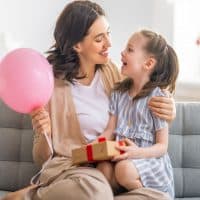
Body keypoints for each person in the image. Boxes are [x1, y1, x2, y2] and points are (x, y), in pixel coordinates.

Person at [2, 1, 176, 200]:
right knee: (95, 191)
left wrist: (170, 106)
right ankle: (28, 197)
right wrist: (44, 133)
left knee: (159, 198)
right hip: (76, 171)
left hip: (113, 172)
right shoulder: (49, 83)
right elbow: (42, 158)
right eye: (99, 39)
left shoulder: (114, 74)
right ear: (77, 45)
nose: (109, 44)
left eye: (108, 34)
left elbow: (147, 89)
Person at [96, 30, 179, 199]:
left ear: (148, 64)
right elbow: (109, 131)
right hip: (123, 157)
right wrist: (92, 148)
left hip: (148, 160)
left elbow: (162, 147)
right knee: (102, 169)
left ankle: (150, 196)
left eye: (130, 50)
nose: (122, 52)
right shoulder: (118, 93)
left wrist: (137, 153)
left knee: (123, 170)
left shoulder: (158, 98)